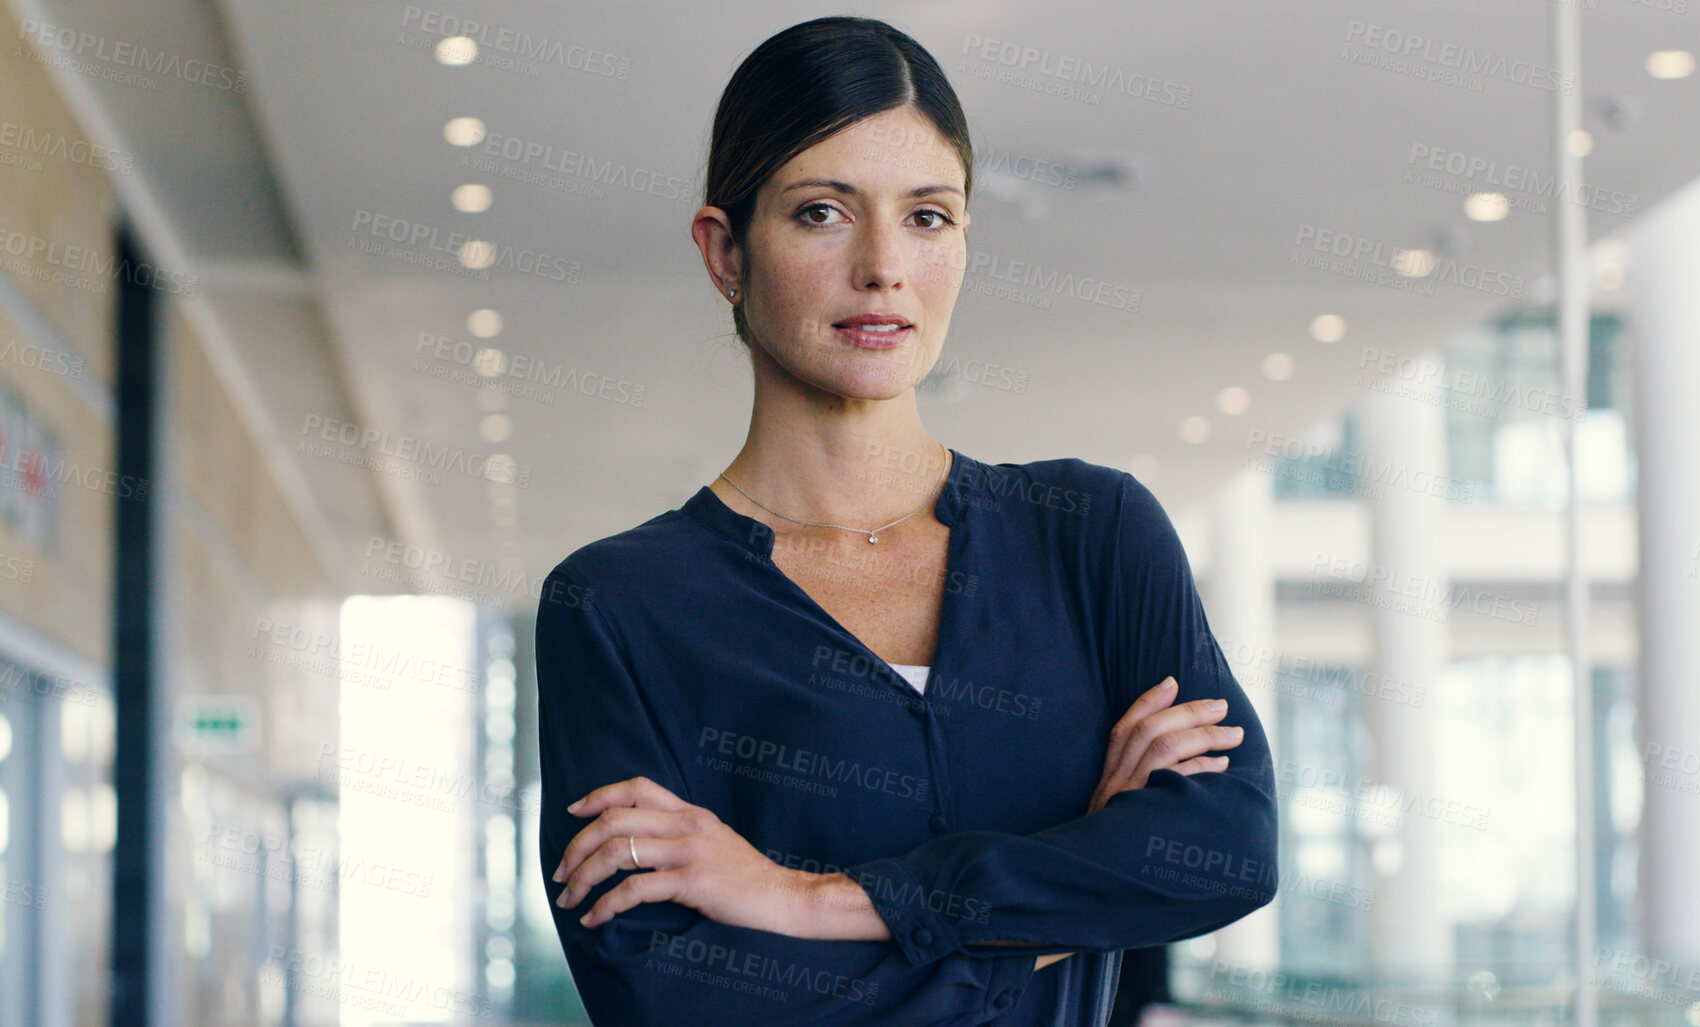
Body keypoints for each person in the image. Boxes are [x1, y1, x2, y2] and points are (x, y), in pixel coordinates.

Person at [535, 15, 1278, 1026]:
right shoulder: (620, 607)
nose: (884, 265)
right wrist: (1080, 886)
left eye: (928, 216)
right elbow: (677, 999)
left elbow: (1228, 850)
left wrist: (805, 901)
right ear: (725, 252)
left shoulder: (1092, 535)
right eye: (822, 213)